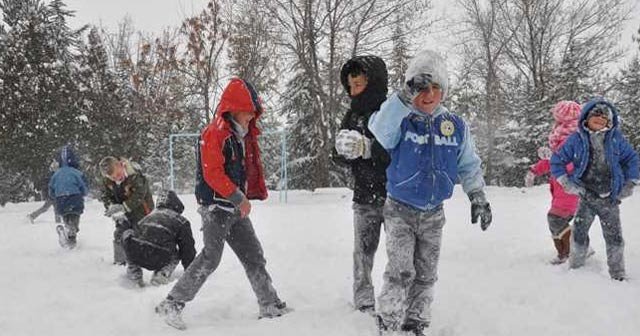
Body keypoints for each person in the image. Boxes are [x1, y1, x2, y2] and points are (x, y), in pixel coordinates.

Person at [368, 49, 492, 336]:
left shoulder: (455, 126)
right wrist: (401, 98)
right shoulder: (400, 119)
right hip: (400, 208)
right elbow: (380, 131)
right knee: (400, 270)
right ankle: (388, 319)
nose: (428, 95)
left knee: (426, 272)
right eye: (422, 87)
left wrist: (478, 197)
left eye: (436, 88)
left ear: (444, 92)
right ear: (412, 89)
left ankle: (416, 321)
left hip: (434, 213)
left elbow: (469, 164)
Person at [155, 78, 288, 330]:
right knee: (210, 258)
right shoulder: (214, 133)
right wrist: (239, 197)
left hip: (234, 210)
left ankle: (269, 303)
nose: (252, 117)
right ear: (235, 108)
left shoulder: (238, 134)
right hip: (215, 209)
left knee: (253, 255)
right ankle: (172, 303)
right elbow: (212, 173)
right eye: (249, 112)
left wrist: (243, 198)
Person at [551, 99, 639, 281]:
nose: (599, 119)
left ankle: (618, 274)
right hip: (586, 195)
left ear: (610, 120)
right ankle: (576, 268)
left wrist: (631, 182)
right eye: (595, 115)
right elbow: (557, 160)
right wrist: (566, 182)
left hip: (610, 198)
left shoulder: (616, 139)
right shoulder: (576, 139)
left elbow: (632, 159)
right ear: (586, 118)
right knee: (579, 232)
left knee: (614, 237)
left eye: (604, 116)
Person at [333, 55, 390, 314]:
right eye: (350, 86)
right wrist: (342, 150)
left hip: (395, 197)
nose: (353, 91)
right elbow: (339, 153)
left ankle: (397, 301)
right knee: (363, 255)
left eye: (359, 84)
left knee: (401, 255)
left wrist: (370, 149)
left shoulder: (391, 112)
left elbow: (399, 152)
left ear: (373, 82)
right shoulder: (353, 115)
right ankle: (364, 303)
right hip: (364, 197)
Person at [524, 101, 581, 264]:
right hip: (563, 189)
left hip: (569, 189)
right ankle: (567, 252)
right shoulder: (562, 137)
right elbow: (553, 161)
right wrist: (535, 169)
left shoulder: (575, 139)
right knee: (559, 220)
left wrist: (555, 158)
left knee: (555, 219)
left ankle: (575, 249)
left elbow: (574, 164)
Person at [120, 189, 196, 286]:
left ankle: (134, 273)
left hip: (138, 254)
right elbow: (187, 249)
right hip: (161, 257)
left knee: (129, 236)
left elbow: (136, 235)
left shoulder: (148, 217)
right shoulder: (181, 221)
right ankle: (161, 275)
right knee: (176, 253)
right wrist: (190, 270)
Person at [98, 156, 154, 274]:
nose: (116, 178)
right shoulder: (108, 181)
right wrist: (111, 207)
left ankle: (144, 261)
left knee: (140, 233)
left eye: (117, 174)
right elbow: (106, 195)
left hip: (142, 210)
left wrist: (124, 207)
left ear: (120, 165)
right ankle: (120, 262)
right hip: (122, 212)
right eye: (112, 177)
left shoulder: (135, 175)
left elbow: (140, 194)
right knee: (119, 233)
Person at [49, 145, 88, 249]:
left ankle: (67, 230)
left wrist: (54, 196)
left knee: (66, 216)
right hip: (75, 198)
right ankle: (72, 232)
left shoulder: (56, 174)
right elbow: (83, 186)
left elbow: (51, 187)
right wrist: (84, 193)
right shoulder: (76, 172)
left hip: (61, 199)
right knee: (75, 217)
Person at [28, 160, 62, 224]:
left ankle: (32, 216)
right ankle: (58, 222)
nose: (57, 169)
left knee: (48, 208)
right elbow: (46, 184)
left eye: (57, 168)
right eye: (55, 168)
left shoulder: (56, 175)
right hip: (51, 195)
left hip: (54, 195)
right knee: (53, 208)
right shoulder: (51, 176)